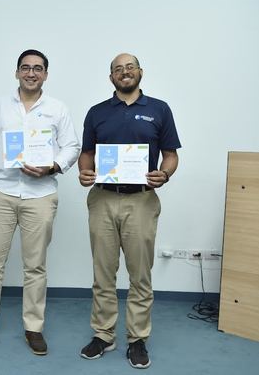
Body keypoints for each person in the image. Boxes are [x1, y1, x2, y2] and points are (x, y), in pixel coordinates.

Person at [0, 49, 81, 355]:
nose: (31, 73)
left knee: (35, 266)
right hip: (0, 191)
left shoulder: (57, 108)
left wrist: (54, 165)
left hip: (40, 194)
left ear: (46, 74)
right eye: (26, 68)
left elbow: (71, 145)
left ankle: (34, 327)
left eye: (38, 69)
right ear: (16, 72)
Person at [78, 53, 181, 369]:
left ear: (140, 73)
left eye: (130, 67)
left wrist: (164, 174)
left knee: (140, 274)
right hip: (103, 199)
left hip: (141, 200)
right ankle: (103, 335)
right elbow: (86, 155)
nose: (125, 72)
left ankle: (137, 339)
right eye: (118, 69)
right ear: (111, 77)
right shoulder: (97, 113)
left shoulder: (159, 110)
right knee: (103, 273)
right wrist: (85, 173)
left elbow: (170, 156)